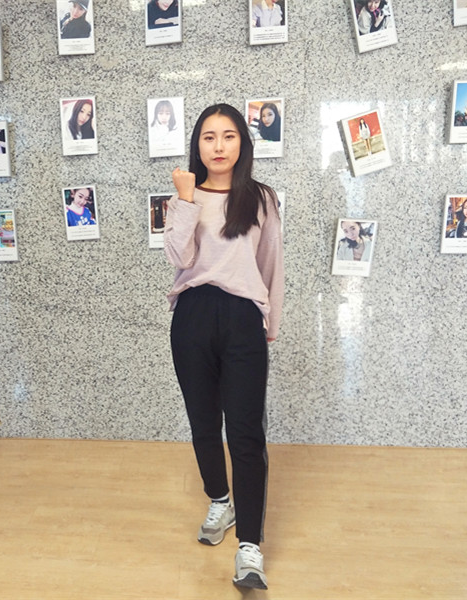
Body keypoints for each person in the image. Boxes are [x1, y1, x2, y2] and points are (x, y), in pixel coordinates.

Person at [164, 103, 283, 590]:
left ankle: (249, 547)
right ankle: (220, 501)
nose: (218, 146)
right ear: (197, 145)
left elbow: (271, 262)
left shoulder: (260, 198)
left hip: (242, 319)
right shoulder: (185, 196)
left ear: (242, 144)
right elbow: (179, 256)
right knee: (203, 423)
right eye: (209, 137)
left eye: (228, 136)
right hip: (192, 316)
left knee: (247, 432)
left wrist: (270, 322)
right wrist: (185, 199)